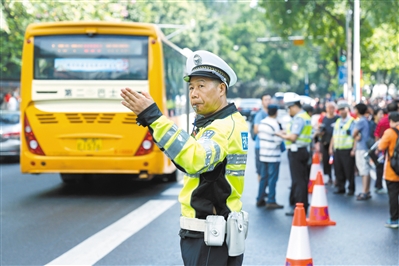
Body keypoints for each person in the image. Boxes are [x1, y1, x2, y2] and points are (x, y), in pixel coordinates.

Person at [121, 50, 248, 265]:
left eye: (201, 85)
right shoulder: (218, 122)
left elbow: (194, 159)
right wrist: (153, 123)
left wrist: (154, 117)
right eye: (191, 87)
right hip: (209, 234)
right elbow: (187, 160)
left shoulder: (222, 127)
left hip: (211, 237)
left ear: (221, 89)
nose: (194, 93)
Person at [275, 92, 312, 216]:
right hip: (303, 151)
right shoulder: (305, 116)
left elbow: (293, 137)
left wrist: (280, 134)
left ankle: (300, 207)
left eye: (288, 108)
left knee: (298, 181)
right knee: (301, 180)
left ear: (294, 106)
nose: (288, 111)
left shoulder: (299, 118)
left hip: (297, 151)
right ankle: (301, 206)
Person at [257, 104, 284, 209]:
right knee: (272, 179)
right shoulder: (275, 124)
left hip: (263, 154)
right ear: (276, 112)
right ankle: (271, 200)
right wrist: (281, 133)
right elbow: (278, 141)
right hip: (273, 155)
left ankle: (260, 198)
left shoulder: (262, 122)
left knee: (263, 178)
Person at [377, 111, 399, 228]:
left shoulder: (389, 132)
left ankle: (394, 219)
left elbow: (381, 146)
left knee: (393, 195)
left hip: (393, 170)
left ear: (390, 121)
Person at [329, 101, 356, 195]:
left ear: (348, 109)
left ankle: (351, 189)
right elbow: (334, 135)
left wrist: (354, 149)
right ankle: (341, 187)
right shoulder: (337, 121)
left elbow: (356, 137)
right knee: (338, 170)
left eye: (343, 109)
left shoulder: (352, 122)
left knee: (348, 170)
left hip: (347, 150)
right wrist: (331, 147)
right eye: (340, 110)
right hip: (338, 149)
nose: (341, 112)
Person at [352, 103, 372, 200]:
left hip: (361, 148)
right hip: (366, 147)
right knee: (366, 169)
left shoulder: (360, 121)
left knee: (364, 170)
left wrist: (355, 135)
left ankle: (365, 191)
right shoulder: (366, 120)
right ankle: (367, 190)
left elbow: (353, 133)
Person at [317, 102, 339, 186]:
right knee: (326, 161)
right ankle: (328, 177)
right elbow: (319, 129)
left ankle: (337, 178)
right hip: (325, 142)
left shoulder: (338, 118)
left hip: (336, 143)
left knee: (336, 162)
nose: (331, 110)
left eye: (332, 108)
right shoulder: (323, 118)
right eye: (329, 108)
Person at [253, 94, 271, 190]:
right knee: (261, 171)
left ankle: (263, 191)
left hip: (269, 147)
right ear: (262, 102)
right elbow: (256, 130)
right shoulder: (260, 115)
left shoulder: (272, 114)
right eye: (266, 99)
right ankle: (261, 192)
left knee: (268, 172)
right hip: (260, 147)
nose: (268, 101)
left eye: (269, 99)